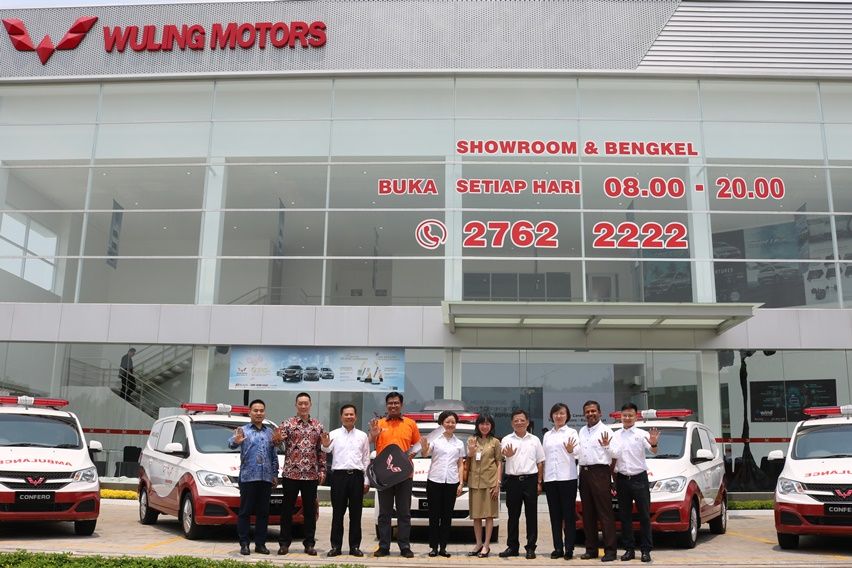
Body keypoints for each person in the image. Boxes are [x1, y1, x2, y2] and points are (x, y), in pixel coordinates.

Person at [228, 399, 283, 556]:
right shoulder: (243, 430)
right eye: (255, 410)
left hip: (265, 478)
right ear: (249, 412)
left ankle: (260, 544)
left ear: (264, 412)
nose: (259, 413)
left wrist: (274, 474)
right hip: (248, 478)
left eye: (261, 411)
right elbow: (230, 443)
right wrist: (235, 441)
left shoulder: (270, 433)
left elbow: (273, 455)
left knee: (263, 513)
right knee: (245, 512)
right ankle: (244, 543)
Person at [369, 391, 421, 558]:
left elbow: (417, 445)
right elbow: (369, 442)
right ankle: (384, 546)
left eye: (396, 403)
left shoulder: (410, 424)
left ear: (401, 405)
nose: (393, 406)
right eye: (390, 403)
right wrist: (373, 434)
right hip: (384, 475)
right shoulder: (379, 423)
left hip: (404, 475)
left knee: (404, 512)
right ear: (386, 405)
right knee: (384, 513)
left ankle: (404, 546)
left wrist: (410, 455)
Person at [607, 403, 659, 563]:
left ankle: (646, 550)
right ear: (621, 417)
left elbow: (653, 451)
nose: (627, 418)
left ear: (636, 417)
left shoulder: (642, 434)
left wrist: (654, 442)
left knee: (644, 516)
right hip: (622, 479)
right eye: (625, 415)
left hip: (639, 479)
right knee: (625, 516)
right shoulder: (615, 435)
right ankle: (629, 549)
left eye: (630, 415)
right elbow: (612, 455)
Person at [277, 392, 326, 556]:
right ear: (296, 405)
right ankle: (284, 543)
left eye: (306, 403)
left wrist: (322, 469)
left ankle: (309, 543)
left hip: (311, 475)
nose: (303, 406)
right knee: (287, 510)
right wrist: (276, 438)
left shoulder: (318, 426)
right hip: (291, 474)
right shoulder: (287, 424)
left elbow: (321, 450)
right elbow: (276, 441)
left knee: (310, 511)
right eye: (300, 403)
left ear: (310, 405)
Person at [321, 404, 370, 558]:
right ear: (341, 416)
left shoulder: (362, 436)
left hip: (357, 477)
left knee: (356, 514)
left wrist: (366, 480)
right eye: (346, 414)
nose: (349, 417)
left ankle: (355, 546)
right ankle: (336, 546)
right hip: (339, 477)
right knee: (337, 513)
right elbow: (326, 450)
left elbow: (366, 459)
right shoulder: (334, 434)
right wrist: (325, 444)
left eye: (351, 414)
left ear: (356, 416)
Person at [498, 409, 545, 560]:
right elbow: (501, 460)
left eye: (522, 420)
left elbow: (540, 462)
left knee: (531, 516)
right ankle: (512, 547)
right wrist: (507, 455)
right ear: (512, 423)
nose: (519, 423)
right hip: (512, 481)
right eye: (516, 420)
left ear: (527, 422)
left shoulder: (535, 440)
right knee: (513, 516)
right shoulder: (506, 439)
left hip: (530, 480)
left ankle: (531, 547)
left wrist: (539, 482)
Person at [421, 410, 466, 557]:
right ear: (441, 423)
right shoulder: (435, 440)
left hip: (452, 481)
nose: (450, 424)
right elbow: (425, 454)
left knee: (447, 516)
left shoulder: (459, 443)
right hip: (435, 480)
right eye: (447, 422)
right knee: (434, 515)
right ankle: (433, 547)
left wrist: (461, 483)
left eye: (453, 422)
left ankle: (443, 548)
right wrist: (424, 446)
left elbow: (460, 464)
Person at [577, 400, 617, 562]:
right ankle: (591, 549)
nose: (590, 414)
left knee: (604, 513)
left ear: (600, 413)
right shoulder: (581, 431)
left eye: (593, 411)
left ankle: (610, 551)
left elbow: (615, 455)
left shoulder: (606, 431)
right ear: (584, 414)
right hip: (584, 473)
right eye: (587, 412)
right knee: (588, 513)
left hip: (600, 472)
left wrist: (611, 476)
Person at [543, 402, 580, 560]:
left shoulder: (572, 432)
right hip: (550, 478)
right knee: (555, 515)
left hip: (567, 478)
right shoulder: (547, 435)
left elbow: (578, 453)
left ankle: (569, 548)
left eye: (562, 413)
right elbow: (544, 457)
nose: (559, 416)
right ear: (552, 416)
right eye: (556, 413)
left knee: (568, 515)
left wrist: (572, 450)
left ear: (567, 416)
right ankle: (558, 547)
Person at [465, 413, 501, 558]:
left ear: (491, 426)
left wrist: (498, 483)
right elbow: (468, 458)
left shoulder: (495, 442)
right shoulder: (471, 439)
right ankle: (478, 543)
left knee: (489, 515)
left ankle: (486, 545)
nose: (484, 427)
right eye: (482, 424)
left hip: (490, 482)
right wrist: (471, 450)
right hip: (475, 482)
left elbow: (499, 463)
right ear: (477, 425)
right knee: (476, 516)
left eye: (487, 424)